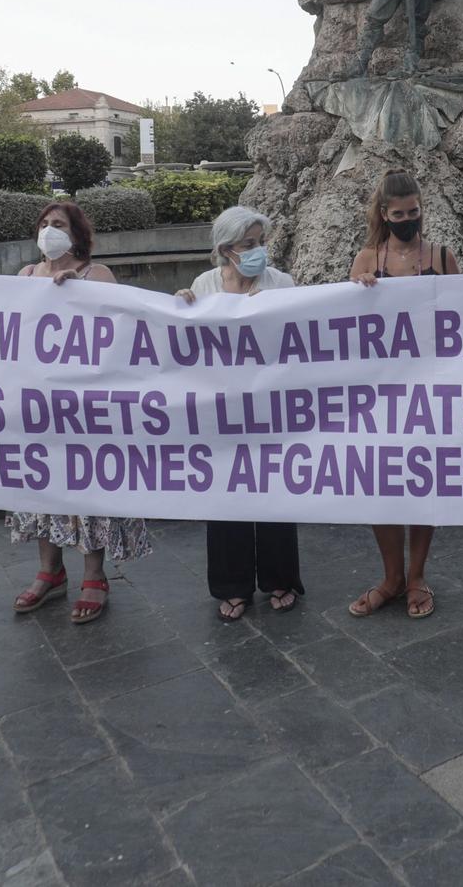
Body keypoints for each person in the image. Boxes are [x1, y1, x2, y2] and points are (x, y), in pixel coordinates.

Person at [6, 201, 149, 623]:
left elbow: (123, 329)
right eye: (45, 223)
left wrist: (78, 294)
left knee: (88, 490)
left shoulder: (96, 275)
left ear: (76, 234)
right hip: (38, 407)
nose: (50, 230)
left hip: (87, 409)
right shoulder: (25, 277)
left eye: (59, 224)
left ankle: (94, 576)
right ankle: (49, 573)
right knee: (42, 488)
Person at [178, 206, 303, 621]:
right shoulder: (205, 284)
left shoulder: (281, 283)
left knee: (273, 492)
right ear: (225, 249)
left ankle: (280, 579)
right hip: (221, 412)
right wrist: (180, 309)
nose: (257, 251)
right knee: (226, 496)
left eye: (260, 243)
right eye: (248, 244)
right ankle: (232, 586)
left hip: (269, 409)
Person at [347, 169, 462, 619]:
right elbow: (343, 327)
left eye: (414, 212)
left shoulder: (442, 256)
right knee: (382, 485)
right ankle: (391, 576)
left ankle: (416, 577)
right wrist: (357, 294)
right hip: (378, 394)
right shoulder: (365, 260)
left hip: (430, 390)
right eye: (399, 214)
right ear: (384, 214)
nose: (408, 219)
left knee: (423, 482)